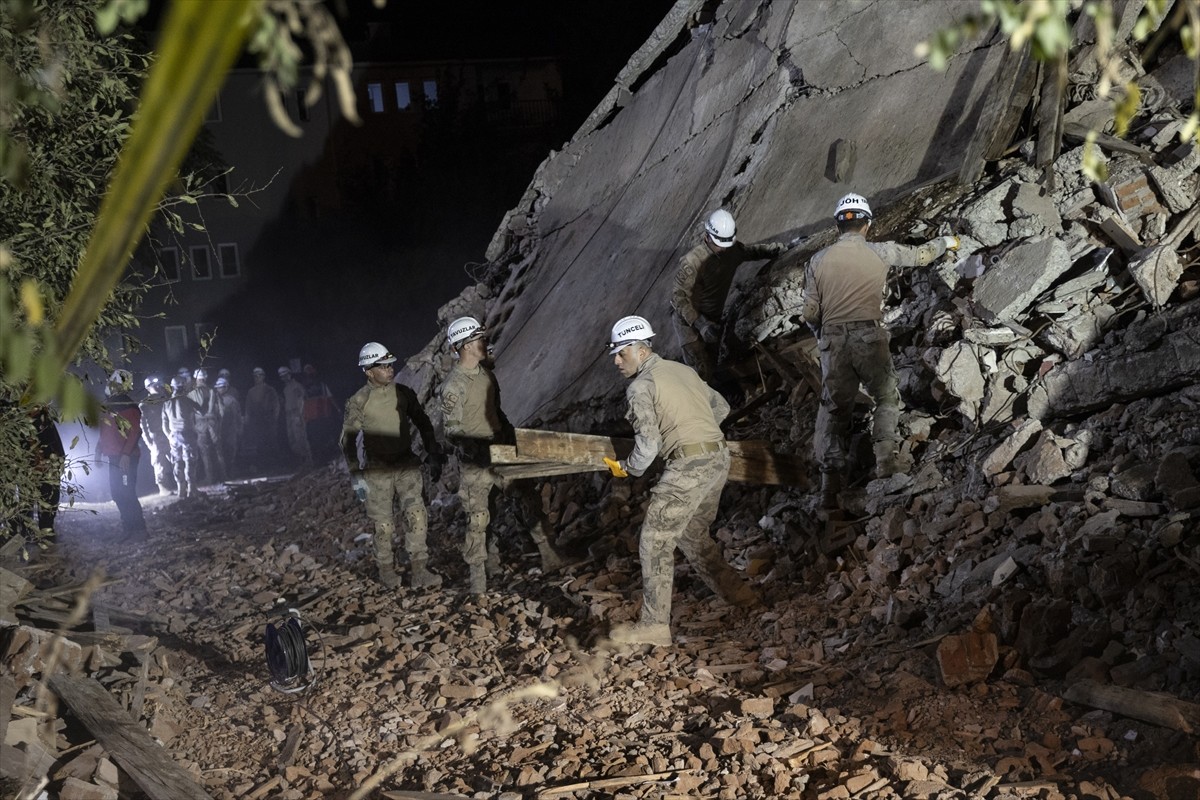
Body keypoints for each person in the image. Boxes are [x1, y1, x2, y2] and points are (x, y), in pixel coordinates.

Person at [602, 316, 760, 646]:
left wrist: (625, 469)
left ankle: (654, 625)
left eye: (620, 353)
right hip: (718, 457)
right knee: (691, 534)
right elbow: (721, 406)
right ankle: (742, 596)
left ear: (640, 350)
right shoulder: (682, 370)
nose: (616, 361)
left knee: (654, 540)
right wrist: (692, 427)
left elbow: (646, 450)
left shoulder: (640, 388)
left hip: (688, 467)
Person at [799, 192, 960, 508]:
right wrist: (948, 243)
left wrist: (824, 338)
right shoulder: (880, 251)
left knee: (834, 410)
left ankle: (829, 488)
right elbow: (922, 255)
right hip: (869, 335)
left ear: (838, 226)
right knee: (886, 396)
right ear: (867, 225)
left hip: (833, 342)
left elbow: (810, 314)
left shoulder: (816, 261)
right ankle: (886, 460)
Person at [439, 316, 564, 595]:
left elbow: (498, 413)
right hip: (476, 462)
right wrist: (477, 451)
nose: (485, 342)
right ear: (466, 345)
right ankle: (479, 579)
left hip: (502, 451)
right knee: (480, 518)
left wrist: (511, 438)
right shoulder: (453, 387)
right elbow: (451, 432)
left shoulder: (486, 375)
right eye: (479, 339)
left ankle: (549, 554)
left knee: (527, 499)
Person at [341, 342, 446, 589]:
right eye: (383, 366)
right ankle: (387, 572)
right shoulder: (359, 401)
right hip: (377, 472)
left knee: (416, 516)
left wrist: (432, 453)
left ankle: (420, 570)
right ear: (368, 370)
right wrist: (356, 474)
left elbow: (424, 423)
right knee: (384, 525)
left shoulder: (404, 393)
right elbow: (347, 440)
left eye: (390, 365)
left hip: (406, 466)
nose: (390, 369)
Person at [671, 209, 790, 382]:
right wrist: (701, 324)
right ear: (707, 236)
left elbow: (752, 251)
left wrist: (780, 248)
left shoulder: (730, 249)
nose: (723, 249)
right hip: (689, 322)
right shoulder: (693, 262)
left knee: (714, 359)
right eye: (720, 244)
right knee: (700, 369)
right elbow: (678, 297)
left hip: (713, 316)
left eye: (726, 245)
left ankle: (725, 391)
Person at [99, 370, 147, 539]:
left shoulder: (128, 406)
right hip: (114, 457)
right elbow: (105, 431)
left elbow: (135, 432)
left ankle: (139, 529)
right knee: (118, 493)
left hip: (126, 458)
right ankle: (129, 528)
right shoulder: (110, 406)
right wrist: (99, 450)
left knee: (126, 492)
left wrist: (125, 455)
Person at [163, 375, 200, 499]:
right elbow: (200, 410)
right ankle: (192, 489)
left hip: (173, 436)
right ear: (183, 387)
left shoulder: (167, 403)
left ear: (173, 387)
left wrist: (169, 435)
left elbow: (164, 424)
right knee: (189, 460)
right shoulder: (187, 400)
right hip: (187, 433)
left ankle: (181, 490)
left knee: (177, 461)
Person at [139, 375, 176, 495]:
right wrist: (148, 441)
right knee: (159, 462)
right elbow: (143, 425)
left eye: (159, 384)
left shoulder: (166, 400)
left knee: (175, 459)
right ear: (148, 388)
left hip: (169, 434)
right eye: (155, 385)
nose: (158, 387)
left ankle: (179, 483)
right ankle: (164, 488)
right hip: (155, 436)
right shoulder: (144, 405)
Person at [188, 367, 226, 485]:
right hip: (213, 423)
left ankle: (210, 478)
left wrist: (193, 427)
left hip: (200, 425)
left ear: (196, 378)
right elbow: (222, 409)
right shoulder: (213, 391)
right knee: (218, 451)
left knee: (205, 452)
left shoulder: (191, 394)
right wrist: (219, 423)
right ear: (205, 378)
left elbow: (189, 413)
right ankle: (223, 476)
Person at [243, 367, 280, 472]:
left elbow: (276, 405)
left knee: (271, 443)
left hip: (268, 420)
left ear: (263, 376)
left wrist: (274, 419)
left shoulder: (270, 390)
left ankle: (274, 466)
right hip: (257, 421)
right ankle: (263, 467)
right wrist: (248, 421)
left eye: (258, 376)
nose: (257, 378)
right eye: (255, 376)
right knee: (259, 444)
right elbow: (248, 407)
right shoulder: (251, 392)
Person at [301, 363, 340, 462]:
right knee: (317, 439)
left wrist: (338, 409)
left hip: (321, 415)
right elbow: (302, 403)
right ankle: (320, 459)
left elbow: (330, 398)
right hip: (314, 417)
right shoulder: (304, 388)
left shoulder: (321, 385)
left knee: (322, 438)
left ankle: (324, 458)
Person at [279, 366, 313, 468]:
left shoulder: (297, 386)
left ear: (289, 374)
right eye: (282, 377)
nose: (284, 378)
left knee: (300, 438)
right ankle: (302, 460)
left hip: (297, 414)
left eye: (285, 375)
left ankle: (308, 461)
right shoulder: (285, 388)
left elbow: (302, 400)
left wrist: (300, 415)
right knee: (292, 439)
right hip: (289, 415)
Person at [215, 377, 243, 477]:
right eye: (218, 387)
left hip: (230, 430)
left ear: (226, 387)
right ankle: (223, 474)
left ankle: (231, 472)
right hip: (220, 430)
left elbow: (237, 416)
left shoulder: (231, 400)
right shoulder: (215, 400)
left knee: (231, 451)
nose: (220, 389)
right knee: (221, 452)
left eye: (221, 387)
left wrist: (238, 429)